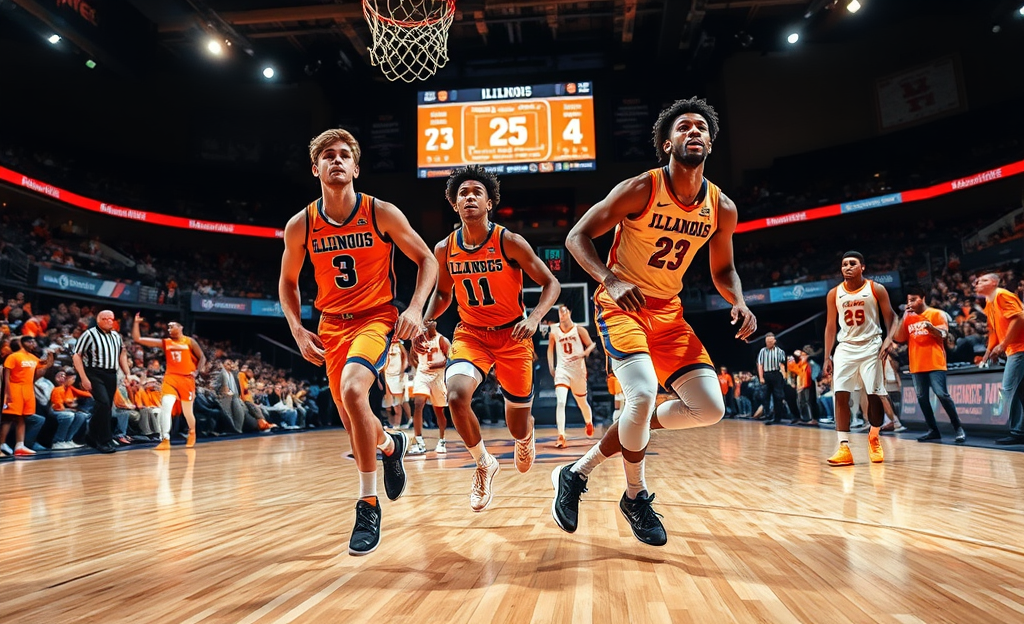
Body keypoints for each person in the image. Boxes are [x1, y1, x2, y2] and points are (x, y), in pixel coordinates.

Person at [552, 97, 756, 546]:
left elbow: (722, 271)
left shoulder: (722, 207)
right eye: (684, 127)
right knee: (641, 394)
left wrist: (738, 301)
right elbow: (576, 236)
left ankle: (576, 472)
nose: (694, 132)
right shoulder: (641, 188)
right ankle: (635, 496)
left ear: (710, 142)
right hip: (621, 306)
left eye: (701, 127)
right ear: (667, 143)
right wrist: (610, 278)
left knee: (709, 409)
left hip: (669, 314)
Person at [278, 128, 438, 555]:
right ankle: (392, 444)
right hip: (331, 325)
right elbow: (288, 282)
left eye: (344, 155)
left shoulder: (380, 212)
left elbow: (427, 259)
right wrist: (296, 327)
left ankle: (367, 504)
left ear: (356, 167)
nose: (336, 161)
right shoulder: (302, 223)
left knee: (353, 390)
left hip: (376, 318)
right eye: (327, 155)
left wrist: (415, 308)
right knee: (356, 427)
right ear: (316, 169)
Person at [419, 164, 560, 513]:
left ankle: (525, 437)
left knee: (516, 425)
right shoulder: (444, 249)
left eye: (476, 193)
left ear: (489, 203)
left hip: (514, 334)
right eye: (462, 193)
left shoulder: (508, 241)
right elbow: (443, 294)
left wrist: (535, 317)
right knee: (455, 395)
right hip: (471, 334)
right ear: (454, 204)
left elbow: (550, 284)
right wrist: (427, 320)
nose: (469, 197)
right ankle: (483, 463)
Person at [823, 252, 897, 466]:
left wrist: (888, 340)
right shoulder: (834, 294)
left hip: (871, 345)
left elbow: (892, 317)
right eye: (844, 264)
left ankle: (874, 436)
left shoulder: (875, 289)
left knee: (874, 395)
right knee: (840, 394)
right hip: (845, 347)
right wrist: (827, 355)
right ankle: (843, 447)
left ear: (862, 267)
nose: (847, 267)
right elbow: (830, 326)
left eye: (852, 263)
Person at [891, 285, 965, 443]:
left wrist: (931, 328)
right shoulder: (908, 317)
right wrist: (903, 316)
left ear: (923, 298)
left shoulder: (936, 313)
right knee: (922, 398)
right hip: (916, 364)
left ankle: (958, 428)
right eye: (908, 300)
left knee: (942, 395)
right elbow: (898, 338)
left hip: (935, 362)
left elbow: (944, 334)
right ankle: (933, 430)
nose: (910, 303)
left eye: (914, 299)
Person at [132, 314, 207, 450]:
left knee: (187, 411)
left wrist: (196, 371)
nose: (169, 329)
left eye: (172, 326)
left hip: (186, 379)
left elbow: (202, 357)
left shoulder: (189, 342)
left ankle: (192, 431)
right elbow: (138, 339)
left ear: (180, 327)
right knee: (166, 407)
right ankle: (165, 439)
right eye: (168, 327)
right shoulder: (166, 342)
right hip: (171, 378)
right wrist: (136, 323)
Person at [975, 273, 1024, 445]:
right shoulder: (989, 301)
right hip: (1014, 349)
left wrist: (1003, 345)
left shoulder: (1002, 295)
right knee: (1020, 391)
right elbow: (994, 330)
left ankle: (1018, 432)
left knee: (1009, 389)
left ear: (995, 283)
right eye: (978, 281)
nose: (978, 282)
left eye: (984, 280)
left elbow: (1019, 318)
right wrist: (989, 351)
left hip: (1020, 349)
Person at [72, 309, 131, 453]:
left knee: (105, 407)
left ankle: (91, 435)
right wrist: (84, 377)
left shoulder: (116, 336)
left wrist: (127, 373)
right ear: (99, 320)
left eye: (112, 318)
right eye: (106, 318)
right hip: (94, 372)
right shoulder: (89, 334)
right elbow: (76, 356)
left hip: (111, 374)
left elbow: (122, 355)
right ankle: (104, 440)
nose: (110, 321)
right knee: (103, 403)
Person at [546, 304, 596, 448]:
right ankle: (561, 435)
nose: (562, 314)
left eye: (565, 311)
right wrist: (551, 366)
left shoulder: (578, 329)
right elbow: (550, 349)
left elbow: (591, 344)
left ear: (569, 312)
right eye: (560, 312)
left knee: (582, 403)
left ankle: (588, 422)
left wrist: (585, 353)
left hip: (578, 371)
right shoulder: (554, 329)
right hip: (562, 369)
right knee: (561, 402)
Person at [2, 337, 54, 456]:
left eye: (33, 341)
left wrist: (51, 355)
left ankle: (19, 445)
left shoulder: (31, 357)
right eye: (29, 342)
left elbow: (45, 365)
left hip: (28, 389)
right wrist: (7, 393)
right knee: (9, 418)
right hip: (14, 388)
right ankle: (2, 444)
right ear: (21, 343)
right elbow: (6, 377)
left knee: (22, 418)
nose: (32, 344)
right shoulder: (13, 356)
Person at [408, 320, 450, 454]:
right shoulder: (418, 340)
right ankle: (419, 441)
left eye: (431, 321)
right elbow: (412, 356)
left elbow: (451, 358)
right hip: (423, 375)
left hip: (438, 377)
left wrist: (438, 365)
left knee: (439, 411)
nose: (428, 323)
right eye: (426, 321)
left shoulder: (442, 339)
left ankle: (442, 439)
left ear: (436, 324)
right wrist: (419, 367)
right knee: (418, 404)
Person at [757, 333, 787, 425]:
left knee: (778, 396)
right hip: (766, 374)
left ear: (774, 341)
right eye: (767, 341)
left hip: (776, 374)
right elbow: (760, 365)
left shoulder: (780, 351)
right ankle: (767, 414)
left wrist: (784, 375)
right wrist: (761, 377)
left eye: (770, 341)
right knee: (765, 396)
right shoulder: (762, 351)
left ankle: (777, 417)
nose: (768, 343)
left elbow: (782, 365)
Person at [381, 338, 410, 428]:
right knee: (387, 405)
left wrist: (402, 370)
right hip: (387, 376)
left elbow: (405, 357)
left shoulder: (399, 346)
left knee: (397, 403)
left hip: (397, 376)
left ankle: (398, 424)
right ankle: (391, 423)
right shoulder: (385, 346)